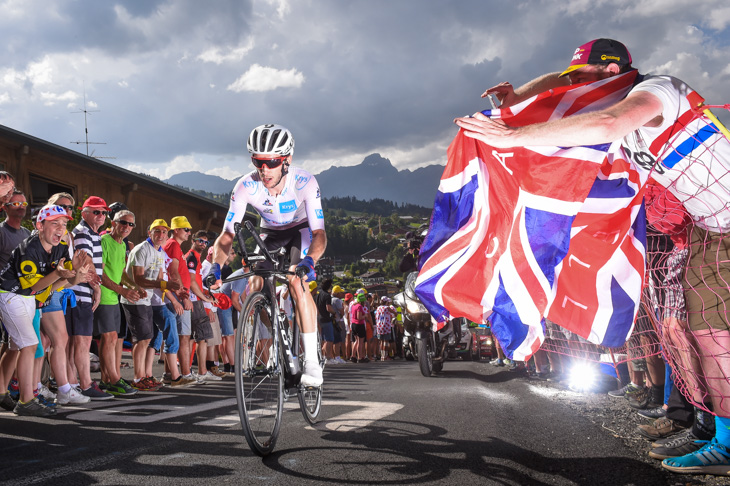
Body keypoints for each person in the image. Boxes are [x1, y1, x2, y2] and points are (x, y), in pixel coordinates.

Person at [456, 38, 730, 477]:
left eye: (586, 78)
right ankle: (719, 438)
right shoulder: (623, 128)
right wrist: (521, 99)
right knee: (690, 331)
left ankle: (717, 436)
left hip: (722, 221)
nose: (578, 89)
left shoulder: (659, 90)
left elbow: (605, 122)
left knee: (711, 333)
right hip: (707, 229)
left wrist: (513, 134)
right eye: (575, 80)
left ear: (612, 72)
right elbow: (565, 101)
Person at [208, 124, 327, 387]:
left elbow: (319, 233)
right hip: (270, 231)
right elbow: (227, 235)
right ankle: (277, 328)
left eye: (271, 162)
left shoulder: (304, 181)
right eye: (257, 162)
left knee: (296, 281)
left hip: (301, 229)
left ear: (287, 160)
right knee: (256, 283)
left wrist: (310, 261)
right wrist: (215, 266)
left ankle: (311, 362)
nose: (264, 170)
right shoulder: (245, 186)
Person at [0, 205, 91, 415]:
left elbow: (58, 286)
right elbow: (36, 286)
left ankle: (2, 393)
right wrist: (61, 273)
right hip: (11, 294)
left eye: (64, 224)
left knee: (16, 346)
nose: (61, 228)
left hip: (27, 297)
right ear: (40, 225)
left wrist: (76, 275)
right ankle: (26, 401)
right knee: (30, 345)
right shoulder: (28, 248)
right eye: (54, 223)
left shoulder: (59, 247)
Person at [66, 196, 112, 400]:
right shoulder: (84, 232)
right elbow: (86, 262)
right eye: (96, 211)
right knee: (82, 342)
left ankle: (74, 383)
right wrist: (97, 288)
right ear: (84, 213)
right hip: (80, 294)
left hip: (79, 293)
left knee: (75, 343)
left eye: (104, 212)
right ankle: (84, 384)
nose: (101, 215)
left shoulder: (90, 232)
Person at [96, 209, 140, 397]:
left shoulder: (122, 245)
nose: (127, 227)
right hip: (104, 296)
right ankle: (113, 379)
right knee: (109, 339)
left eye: (131, 224)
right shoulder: (104, 241)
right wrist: (123, 290)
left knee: (112, 340)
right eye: (123, 222)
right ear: (113, 223)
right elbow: (101, 274)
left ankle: (107, 380)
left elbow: (121, 272)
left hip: (114, 297)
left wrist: (134, 286)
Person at [163, 216, 196, 382]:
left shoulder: (174, 246)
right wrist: (183, 295)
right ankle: (185, 373)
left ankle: (171, 373)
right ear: (176, 230)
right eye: (186, 229)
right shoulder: (174, 245)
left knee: (177, 336)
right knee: (183, 336)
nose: (189, 233)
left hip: (176, 294)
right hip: (177, 296)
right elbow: (173, 271)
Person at [375, 296, 397, 361]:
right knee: (386, 341)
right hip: (386, 325)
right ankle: (385, 356)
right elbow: (394, 313)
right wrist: (395, 315)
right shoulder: (387, 308)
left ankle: (382, 356)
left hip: (379, 326)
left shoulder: (378, 308)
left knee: (381, 341)